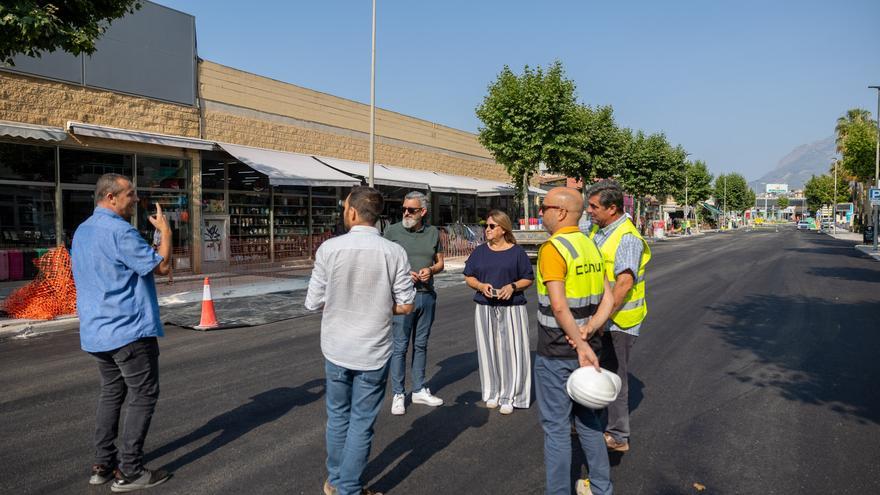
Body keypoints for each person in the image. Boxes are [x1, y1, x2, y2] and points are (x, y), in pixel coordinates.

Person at [305, 186, 415, 495]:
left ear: (352, 212)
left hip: (336, 348)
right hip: (374, 351)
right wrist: (379, 302)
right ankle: (347, 487)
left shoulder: (329, 249)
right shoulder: (393, 252)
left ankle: (337, 482)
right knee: (361, 422)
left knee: (338, 417)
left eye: (344, 209)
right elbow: (406, 305)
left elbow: (313, 302)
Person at [71, 173, 172, 492]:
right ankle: (129, 470)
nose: (136, 199)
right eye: (131, 194)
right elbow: (163, 266)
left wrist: (154, 244)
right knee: (143, 394)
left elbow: (141, 263)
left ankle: (103, 464)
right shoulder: (120, 231)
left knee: (112, 392)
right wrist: (166, 233)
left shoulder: (83, 230)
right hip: (128, 330)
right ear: (110, 197)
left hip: (96, 331)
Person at [534, 187, 616, 495]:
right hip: (589, 350)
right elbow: (608, 299)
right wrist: (590, 330)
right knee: (589, 425)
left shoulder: (554, 249)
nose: (541, 212)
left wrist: (578, 343)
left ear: (562, 212)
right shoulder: (591, 245)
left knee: (556, 430)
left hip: (557, 351)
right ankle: (601, 488)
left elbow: (558, 306)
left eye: (544, 207)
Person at [586, 180, 652, 454]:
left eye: (593, 206)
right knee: (596, 370)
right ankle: (588, 421)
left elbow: (623, 285)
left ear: (612, 208)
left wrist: (601, 319)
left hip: (619, 321)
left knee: (614, 376)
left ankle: (617, 434)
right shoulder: (597, 230)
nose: (589, 211)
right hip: (601, 319)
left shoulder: (626, 237)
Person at [463, 210, 534, 415]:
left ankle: (511, 395)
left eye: (491, 226)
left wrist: (512, 286)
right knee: (488, 351)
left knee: (513, 352)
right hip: (485, 307)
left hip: (512, 307)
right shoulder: (479, 252)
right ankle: (492, 392)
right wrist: (480, 286)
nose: (487, 229)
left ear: (503, 229)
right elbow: (469, 276)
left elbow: (528, 278)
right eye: (486, 225)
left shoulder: (517, 252)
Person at [383, 191, 445, 415]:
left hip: (427, 295)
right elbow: (382, 263)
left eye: (411, 210)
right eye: (404, 209)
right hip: (402, 297)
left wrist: (431, 270)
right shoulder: (391, 232)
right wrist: (402, 273)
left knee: (421, 345)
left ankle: (418, 389)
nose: (406, 213)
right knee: (399, 346)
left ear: (423, 212)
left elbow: (440, 263)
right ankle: (398, 393)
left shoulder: (433, 233)